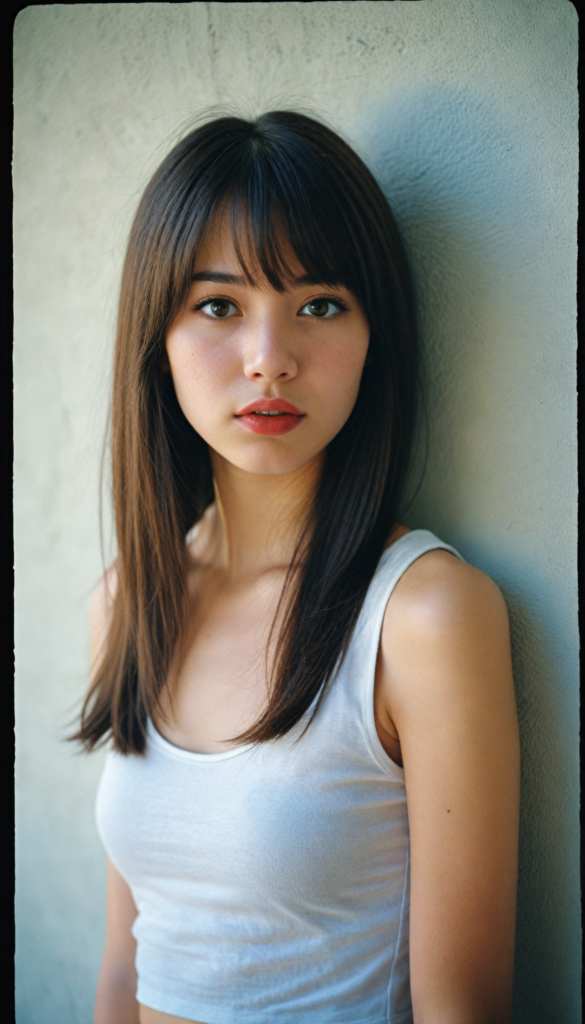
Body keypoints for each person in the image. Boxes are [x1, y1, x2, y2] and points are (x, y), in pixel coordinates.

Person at [74, 111, 520, 1024]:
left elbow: (460, 1009)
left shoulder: (424, 616)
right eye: (218, 306)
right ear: (155, 338)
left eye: (319, 304)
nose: (269, 360)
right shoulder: (126, 603)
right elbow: (125, 971)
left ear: (373, 335)